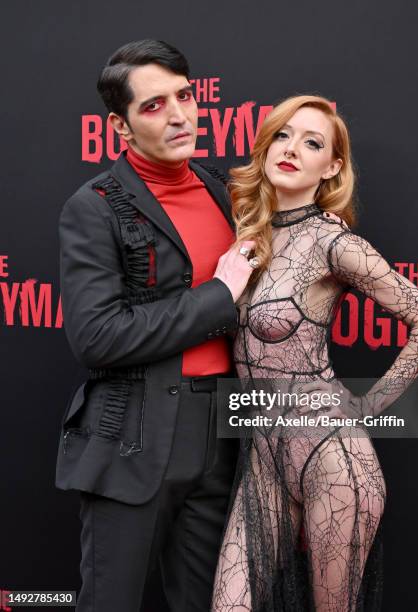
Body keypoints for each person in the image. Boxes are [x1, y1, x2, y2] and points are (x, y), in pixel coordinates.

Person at [210, 95, 418, 611]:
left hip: (333, 461)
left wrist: (367, 407)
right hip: (263, 462)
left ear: (332, 167)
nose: (292, 148)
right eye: (282, 134)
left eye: (312, 142)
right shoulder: (248, 236)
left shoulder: (334, 244)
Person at [55, 39, 257, 612]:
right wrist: (220, 295)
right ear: (120, 126)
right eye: (153, 106)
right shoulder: (93, 206)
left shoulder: (225, 191)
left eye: (185, 96)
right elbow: (97, 336)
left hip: (223, 429)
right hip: (134, 435)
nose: (179, 115)